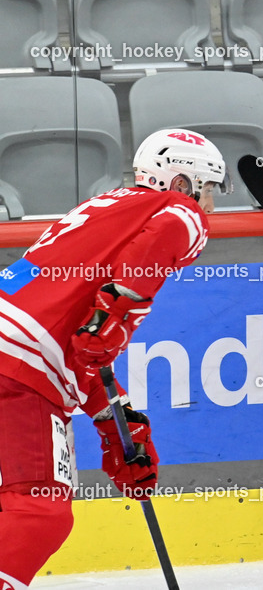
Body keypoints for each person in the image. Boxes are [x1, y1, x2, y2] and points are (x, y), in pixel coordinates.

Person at [0, 129, 228, 587]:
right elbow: (174, 226)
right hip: (18, 371)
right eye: (208, 189)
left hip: (16, 356)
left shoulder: (105, 213)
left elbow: (80, 355)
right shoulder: (175, 210)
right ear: (181, 183)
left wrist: (119, 428)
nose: (211, 206)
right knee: (38, 510)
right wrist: (116, 308)